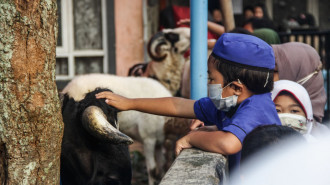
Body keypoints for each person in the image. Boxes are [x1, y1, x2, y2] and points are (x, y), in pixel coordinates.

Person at [95, 33, 281, 171]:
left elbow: (229, 143)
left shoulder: (257, 107)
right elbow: (178, 105)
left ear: (236, 88)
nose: (208, 84)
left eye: (211, 78)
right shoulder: (230, 103)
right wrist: (130, 103)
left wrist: (193, 138)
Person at [272, 42, 326, 123]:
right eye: (277, 110)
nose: (268, 77)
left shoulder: (322, 134)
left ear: (299, 74)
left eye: (274, 71)